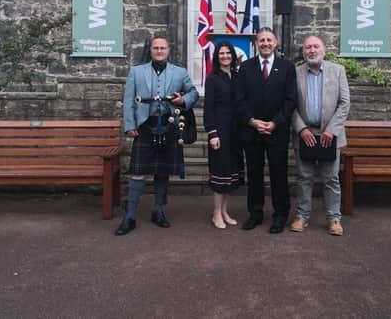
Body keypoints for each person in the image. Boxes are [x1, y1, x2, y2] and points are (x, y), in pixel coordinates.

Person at [115, 35, 199, 236]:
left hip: (169, 125)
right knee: (138, 172)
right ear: (151, 50)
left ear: (168, 50)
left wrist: (182, 100)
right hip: (145, 125)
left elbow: (194, 93)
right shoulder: (136, 72)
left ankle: (158, 211)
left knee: (162, 171)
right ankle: (130, 216)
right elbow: (128, 101)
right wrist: (129, 125)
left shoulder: (179, 72)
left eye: (162, 48)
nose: (159, 51)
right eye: (155, 48)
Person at [235, 27, 297, 234]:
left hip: (276, 131)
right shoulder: (245, 68)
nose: (265, 44)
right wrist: (252, 121)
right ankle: (255, 213)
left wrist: (275, 122)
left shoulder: (287, 68)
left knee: (279, 174)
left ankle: (280, 215)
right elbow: (240, 99)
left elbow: (291, 100)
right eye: (261, 40)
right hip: (252, 131)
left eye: (269, 40)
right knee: (254, 174)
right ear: (255, 44)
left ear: (276, 42)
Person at [290, 35, 350, 236]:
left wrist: (331, 130)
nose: (312, 50)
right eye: (308, 47)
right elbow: (289, 104)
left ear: (323, 50)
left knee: (331, 178)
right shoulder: (295, 73)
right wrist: (301, 128)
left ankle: (334, 218)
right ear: (304, 51)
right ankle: (302, 216)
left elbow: (344, 103)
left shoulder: (338, 71)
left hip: (329, 135)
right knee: (304, 177)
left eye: (316, 46)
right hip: (305, 134)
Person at [204, 41, 243, 229]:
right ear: (217, 56)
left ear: (232, 56)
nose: (225, 56)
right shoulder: (212, 79)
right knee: (220, 174)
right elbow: (208, 108)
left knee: (230, 175)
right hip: (219, 131)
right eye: (221, 53)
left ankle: (225, 211)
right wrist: (212, 133)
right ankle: (216, 213)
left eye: (228, 53)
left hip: (235, 132)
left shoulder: (237, 76)